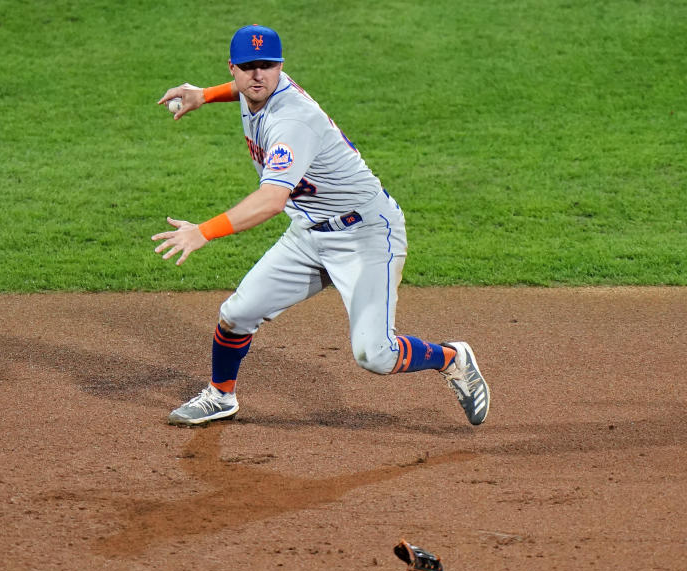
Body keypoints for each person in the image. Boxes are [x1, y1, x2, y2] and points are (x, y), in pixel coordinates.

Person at [152, 24, 490, 427]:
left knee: (375, 355)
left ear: (280, 68)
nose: (257, 75)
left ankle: (452, 358)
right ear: (233, 68)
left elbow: (271, 200)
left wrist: (202, 231)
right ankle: (220, 395)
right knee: (236, 314)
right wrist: (204, 95)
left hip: (366, 235)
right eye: (247, 67)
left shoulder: (293, 122)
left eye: (267, 66)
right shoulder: (251, 90)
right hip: (310, 234)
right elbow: (241, 90)